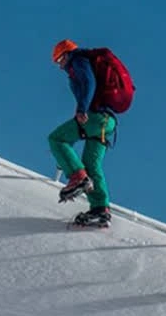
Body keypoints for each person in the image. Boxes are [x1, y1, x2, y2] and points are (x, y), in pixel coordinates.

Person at [49, 39, 133, 229]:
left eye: (59, 60)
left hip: (95, 117)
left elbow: (88, 82)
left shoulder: (78, 60)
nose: (60, 66)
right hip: (108, 122)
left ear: (66, 54)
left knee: (56, 139)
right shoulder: (85, 61)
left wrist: (81, 108)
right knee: (91, 164)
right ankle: (100, 209)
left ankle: (77, 176)